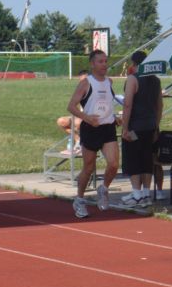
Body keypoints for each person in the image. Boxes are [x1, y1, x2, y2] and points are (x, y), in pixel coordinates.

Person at [67, 50, 119, 218]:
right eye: (100, 62)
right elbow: (71, 107)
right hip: (90, 128)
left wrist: (115, 117)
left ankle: (103, 189)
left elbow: (107, 104)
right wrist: (87, 118)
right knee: (88, 168)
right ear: (92, 64)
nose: (104, 64)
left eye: (105, 61)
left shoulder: (109, 82)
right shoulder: (85, 83)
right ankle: (80, 200)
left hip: (108, 127)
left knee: (113, 164)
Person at [120, 50, 163, 207]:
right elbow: (159, 106)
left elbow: (128, 104)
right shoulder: (156, 80)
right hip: (150, 126)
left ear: (134, 64)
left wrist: (124, 127)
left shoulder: (133, 79)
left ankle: (136, 193)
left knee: (133, 159)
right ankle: (146, 193)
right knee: (147, 160)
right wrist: (156, 126)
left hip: (135, 126)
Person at [57, 70, 88, 152]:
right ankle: (78, 140)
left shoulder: (97, 91)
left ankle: (82, 143)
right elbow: (73, 107)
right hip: (82, 117)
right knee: (61, 121)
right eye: (81, 81)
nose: (83, 83)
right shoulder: (81, 91)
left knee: (78, 123)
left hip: (92, 119)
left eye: (85, 80)